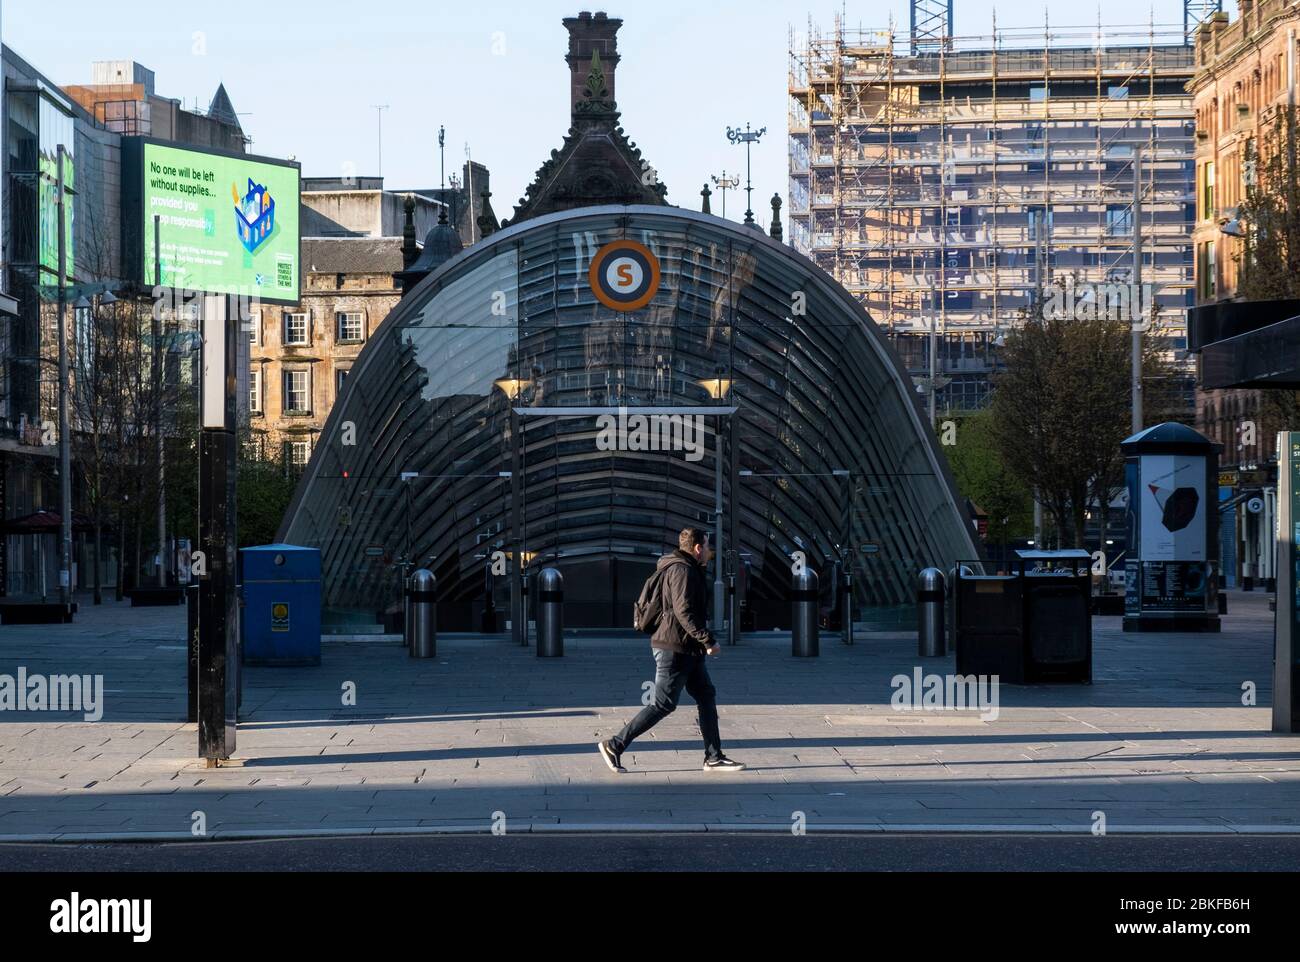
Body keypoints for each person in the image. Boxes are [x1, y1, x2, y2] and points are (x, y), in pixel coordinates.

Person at [598, 528, 745, 773]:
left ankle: (713, 756)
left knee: (706, 695)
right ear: (698, 548)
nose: (709, 551)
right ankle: (615, 744)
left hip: (687, 648)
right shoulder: (682, 570)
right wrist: (708, 640)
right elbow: (683, 611)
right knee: (663, 704)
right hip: (674, 648)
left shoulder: (685, 567)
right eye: (707, 546)